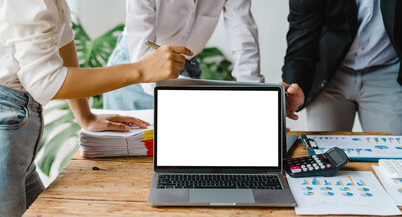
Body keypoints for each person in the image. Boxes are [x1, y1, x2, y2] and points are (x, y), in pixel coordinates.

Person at [0, 0, 193, 217]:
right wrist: (140, 70)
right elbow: (45, 81)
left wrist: (85, 115)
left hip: (12, 122)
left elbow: (62, 36)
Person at [104, 0, 265, 110]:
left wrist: (256, 97)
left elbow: (242, 33)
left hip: (187, 65)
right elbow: (143, 61)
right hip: (136, 72)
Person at [282, 0, 402, 135]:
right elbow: (301, 44)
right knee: (323, 149)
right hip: (330, 72)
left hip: (389, 71)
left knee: (394, 150)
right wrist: (294, 88)